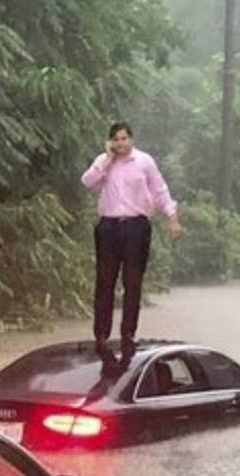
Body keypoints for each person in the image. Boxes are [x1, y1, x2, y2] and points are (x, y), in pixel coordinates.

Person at [80, 121, 182, 358]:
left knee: (132, 281)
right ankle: (101, 334)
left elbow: (160, 190)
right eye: (115, 139)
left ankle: (128, 334)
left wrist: (172, 217)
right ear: (110, 142)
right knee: (105, 281)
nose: (120, 143)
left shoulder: (144, 162)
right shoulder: (103, 161)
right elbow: (87, 182)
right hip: (108, 226)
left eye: (124, 139)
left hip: (136, 226)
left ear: (131, 140)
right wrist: (106, 160)